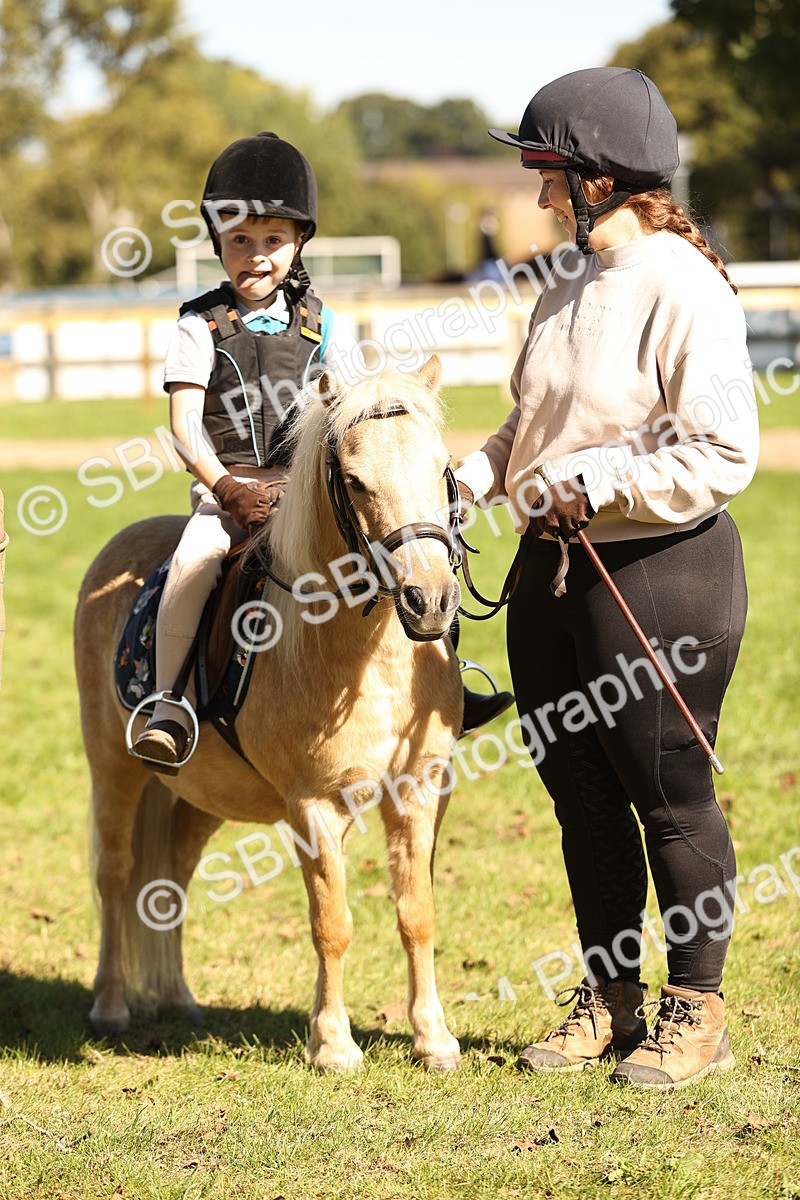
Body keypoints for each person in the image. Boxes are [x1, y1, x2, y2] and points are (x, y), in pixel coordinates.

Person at [455, 67, 758, 1089]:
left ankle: (695, 1007)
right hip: (547, 574)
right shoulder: (563, 283)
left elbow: (722, 451)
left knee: (666, 796)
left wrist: (596, 483)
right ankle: (610, 996)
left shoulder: (682, 284)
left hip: (657, 574)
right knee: (577, 795)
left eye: (547, 173)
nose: (538, 195)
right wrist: (463, 481)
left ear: (599, 176)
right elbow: (528, 427)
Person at [133, 131, 511, 770]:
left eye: (272, 242)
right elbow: (184, 427)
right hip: (228, 495)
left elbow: (351, 407)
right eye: (240, 242)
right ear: (219, 245)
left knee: (406, 546)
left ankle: (447, 683)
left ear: (298, 243)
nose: (256, 257)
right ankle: (169, 701)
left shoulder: (323, 323)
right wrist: (227, 489)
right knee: (194, 565)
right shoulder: (196, 328)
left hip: (307, 494)